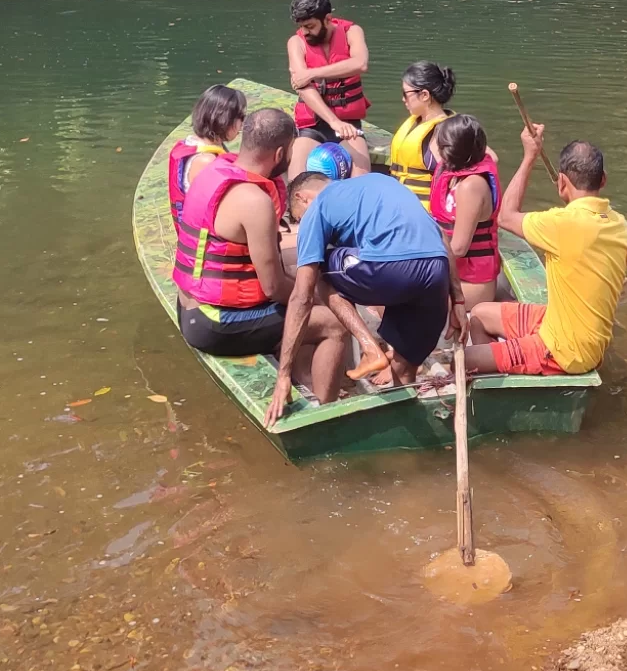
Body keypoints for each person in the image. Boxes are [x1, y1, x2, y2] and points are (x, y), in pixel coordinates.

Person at [171, 105, 349, 402]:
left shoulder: (210, 168)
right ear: (280, 154)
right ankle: (328, 409)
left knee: (297, 294)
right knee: (333, 321)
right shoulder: (254, 201)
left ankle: (303, 375)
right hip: (214, 324)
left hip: (188, 305)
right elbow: (274, 288)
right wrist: (322, 298)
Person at [264, 170, 459, 423]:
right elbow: (441, 236)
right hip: (437, 272)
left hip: (393, 268)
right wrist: (459, 301)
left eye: (300, 218)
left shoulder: (318, 206)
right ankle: (402, 427)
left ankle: (370, 350)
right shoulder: (381, 182)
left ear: (303, 198)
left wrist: (283, 376)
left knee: (321, 272)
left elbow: (302, 297)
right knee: (404, 366)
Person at [463, 124, 627, 378]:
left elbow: (506, 217)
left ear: (561, 181)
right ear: (603, 179)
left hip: (565, 351)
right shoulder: (619, 223)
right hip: (564, 326)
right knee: (479, 313)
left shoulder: (562, 224)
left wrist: (530, 156)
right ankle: (500, 367)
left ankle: (497, 372)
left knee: (464, 358)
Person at [286, 0, 371, 177]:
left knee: (362, 178)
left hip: (349, 123)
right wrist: (333, 122)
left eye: (309, 26)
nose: (304, 32)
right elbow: (302, 85)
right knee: (296, 179)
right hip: (313, 126)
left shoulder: (352, 32)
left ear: (327, 19)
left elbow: (360, 63)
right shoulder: (296, 42)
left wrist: (312, 73)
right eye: (302, 27)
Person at [429, 113, 502, 305]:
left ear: (450, 149)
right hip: (454, 273)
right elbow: (492, 155)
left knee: (399, 298)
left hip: (471, 283)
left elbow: (459, 248)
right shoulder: (452, 171)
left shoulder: (471, 187)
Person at [167, 84, 247, 226]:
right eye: (241, 117)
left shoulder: (190, 144)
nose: (242, 123)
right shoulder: (206, 160)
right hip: (202, 240)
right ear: (225, 120)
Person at [389, 61, 456, 207]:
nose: (403, 99)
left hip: (424, 214)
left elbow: (489, 158)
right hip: (401, 206)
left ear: (424, 95)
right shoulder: (416, 121)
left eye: (405, 94)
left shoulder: (444, 130)